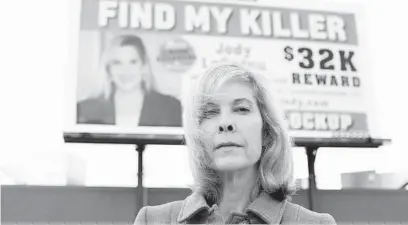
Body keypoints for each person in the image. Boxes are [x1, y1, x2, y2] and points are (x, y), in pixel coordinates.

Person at [134, 63, 336, 224]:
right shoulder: (152, 220)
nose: (225, 123)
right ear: (198, 137)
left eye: (241, 109)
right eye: (211, 112)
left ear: (267, 132)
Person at [77, 34, 182, 127]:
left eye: (133, 62)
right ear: (108, 70)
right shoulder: (85, 111)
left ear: (144, 67)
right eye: (117, 63)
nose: (126, 71)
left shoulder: (171, 108)